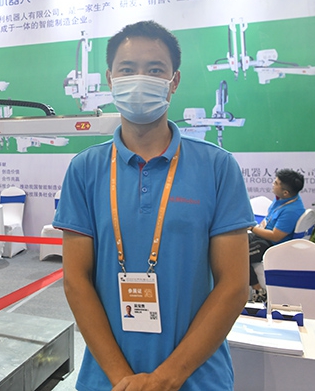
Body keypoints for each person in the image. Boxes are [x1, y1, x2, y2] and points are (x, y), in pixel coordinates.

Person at [53, 20, 254, 391]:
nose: (140, 79)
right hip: (107, 380)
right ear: (110, 79)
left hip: (197, 379)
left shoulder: (217, 167)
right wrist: (122, 379)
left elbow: (234, 286)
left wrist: (165, 379)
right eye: (127, 70)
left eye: (155, 70)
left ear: (174, 81)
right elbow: (76, 281)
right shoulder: (85, 169)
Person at [248, 169, 306, 302]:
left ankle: (258, 290)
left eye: (276, 183)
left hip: (270, 245)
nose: (273, 184)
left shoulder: (291, 211)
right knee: (234, 242)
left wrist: (252, 228)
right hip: (261, 236)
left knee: (239, 256)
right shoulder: (282, 199)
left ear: (285, 192)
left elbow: (275, 236)